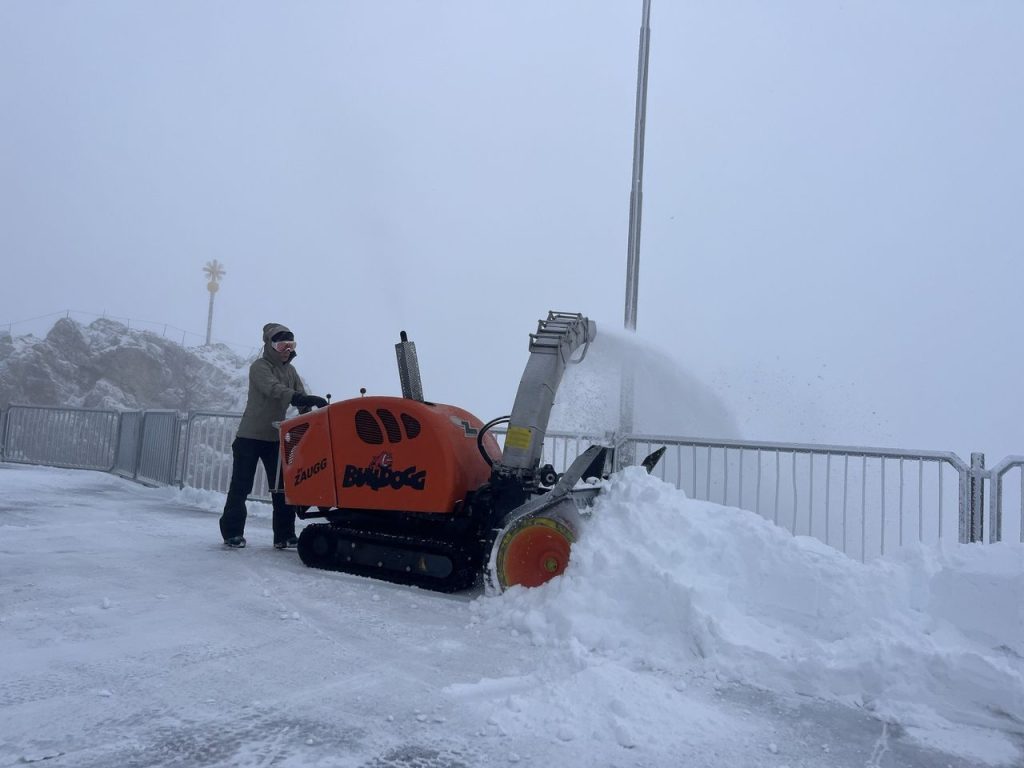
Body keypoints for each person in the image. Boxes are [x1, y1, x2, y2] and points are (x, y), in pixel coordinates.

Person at [219, 322, 328, 549]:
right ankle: (232, 533)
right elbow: (273, 389)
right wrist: (299, 399)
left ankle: (284, 535)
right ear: (270, 345)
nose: (286, 350)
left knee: (282, 488)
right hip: (249, 437)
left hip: (276, 438)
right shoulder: (260, 367)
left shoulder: (291, 371)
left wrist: (310, 414)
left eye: (290, 345)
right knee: (241, 486)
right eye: (281, 345)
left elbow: (300, 397)